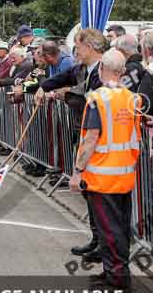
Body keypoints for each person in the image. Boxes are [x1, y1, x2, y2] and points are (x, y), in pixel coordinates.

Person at [69, 49, 141, 291]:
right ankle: (113, 271)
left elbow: (91, 138)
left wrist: (78, 172)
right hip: (125, 174)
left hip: (102, 175)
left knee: (108, 230)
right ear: (122, 72)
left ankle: (118, 278)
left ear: (102, 70)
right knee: (118, 228)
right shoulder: (132, 98)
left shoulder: (98, 98)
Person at [35, 28, 106, 263]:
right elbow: (62, 78)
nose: (76, 52)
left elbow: (91, 105)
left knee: (101, 196)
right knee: (90, 193)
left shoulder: (104, 72)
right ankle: (97, 240)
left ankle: (105, 246)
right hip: (84, 134)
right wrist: (43, 87)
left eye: (79, 47)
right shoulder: (81, 69)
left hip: (100, 142)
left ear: (91, 47)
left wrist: (69, 98)